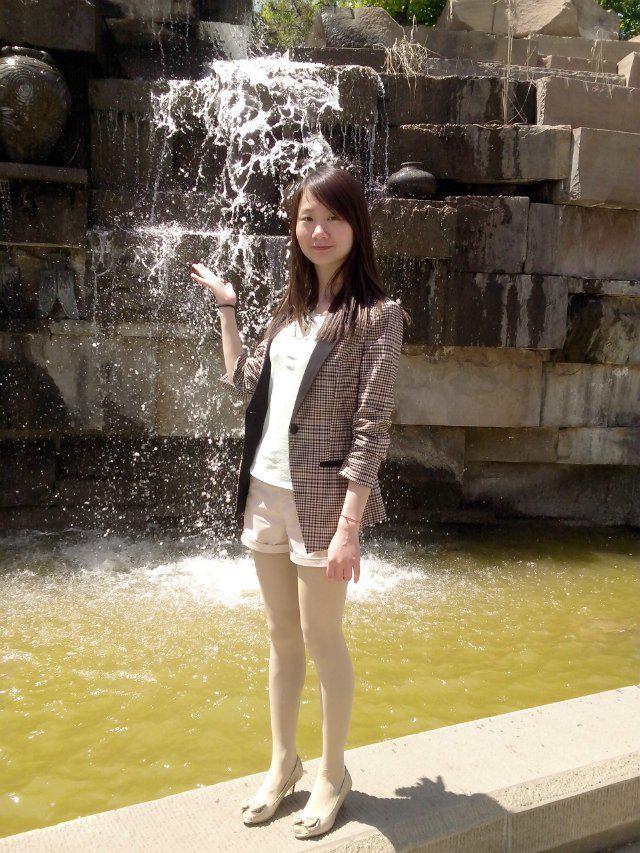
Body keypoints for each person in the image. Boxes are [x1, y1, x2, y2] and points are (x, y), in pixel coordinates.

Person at [191, 165, 407, 840]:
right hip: (264, 494)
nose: (319, 230)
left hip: (323, 504)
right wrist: (228, 308)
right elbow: (243, 384)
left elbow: (372, 428)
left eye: (333, 218)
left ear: (355, 227)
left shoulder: (377, 317)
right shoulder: (288, 311)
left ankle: (333, 773)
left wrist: (350, 528)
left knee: (322, 638)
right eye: (308, 218)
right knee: (281, 637)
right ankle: (283, 761)